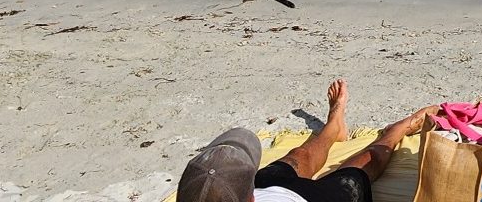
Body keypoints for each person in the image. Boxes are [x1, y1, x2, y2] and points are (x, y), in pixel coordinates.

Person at [176, 79, 437, 202]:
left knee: (299, 156)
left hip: (269, 188)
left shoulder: (239, 193)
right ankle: (398, 129)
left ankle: (334, 127)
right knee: (363, 166)